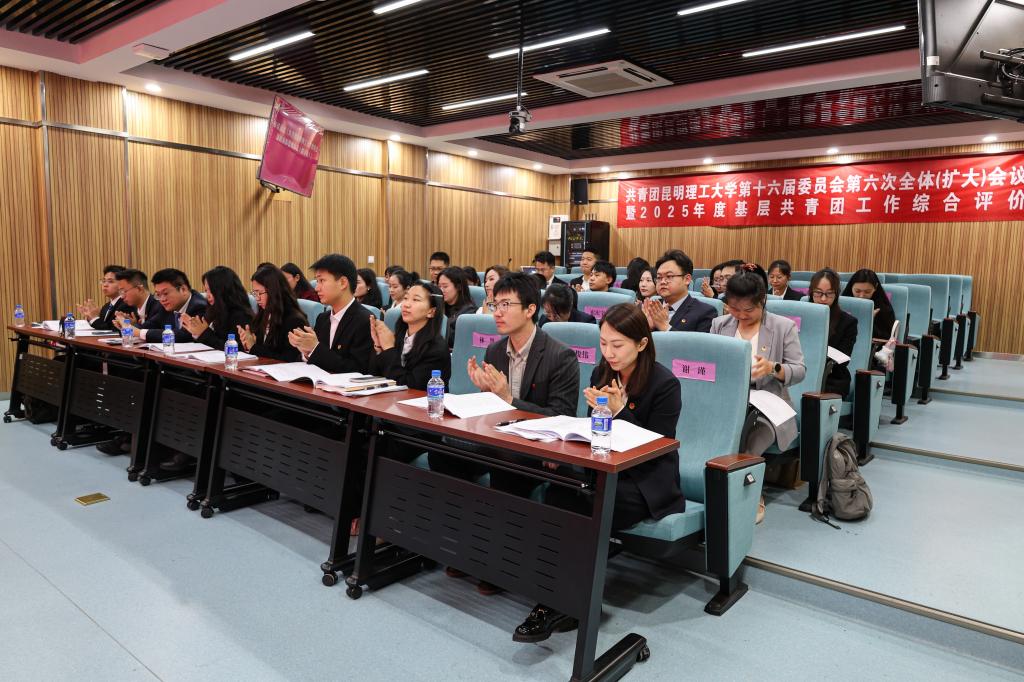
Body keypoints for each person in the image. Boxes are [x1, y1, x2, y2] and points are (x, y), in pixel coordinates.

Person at [513, 303, 685, 643]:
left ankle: (565, 601)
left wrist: (620, 412)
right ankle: (553, 592)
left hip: (645, 481)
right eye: (603, 343)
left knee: (589, 501)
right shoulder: (600, 374)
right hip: (603, 467)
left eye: (617, 345)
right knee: (559, 490)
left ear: (642, 343)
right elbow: (592, 431)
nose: (609, 353)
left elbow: (657, 446)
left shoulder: (665, 384)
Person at [434, 272, 579, 596]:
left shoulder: (560, 356)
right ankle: (466, 545)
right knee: (444, 452)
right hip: (498, 439)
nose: (497, 312)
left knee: (506, 464)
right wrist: (485, 395)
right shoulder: (496, 351)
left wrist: (508, 399)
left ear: (530, 309)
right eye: (494, 305)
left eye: (506, 305)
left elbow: (562, 418)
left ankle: (499, 561)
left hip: (535, 450)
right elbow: (493, 410)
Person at [710, 269, 806, 523]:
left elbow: (799, 370)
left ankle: (751, 496)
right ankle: (710, 491)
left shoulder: (783, 327)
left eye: (748, 310)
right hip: (729, 401)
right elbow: (711, 362)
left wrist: (773, 368)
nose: (741, 315)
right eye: (734, 309)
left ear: (762, 301)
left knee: (751, 443)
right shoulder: (720, 325)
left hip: (768, 405)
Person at [288, 254, 373, 373]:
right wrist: (307, 351)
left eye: (322, 281)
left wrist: (315, 348)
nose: (316, 288)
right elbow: (320, 359)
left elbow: (358, 369)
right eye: (317, 281)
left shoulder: (365, 320)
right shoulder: (323, 318)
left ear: (343, 283)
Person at [368, 282, 451, 390]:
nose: (406, 304)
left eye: (415, 299)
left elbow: (410, 386)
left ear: (431, 311)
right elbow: (373, 375)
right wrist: (379, 347)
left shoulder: (436, 348)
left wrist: (389, 349)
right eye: (406, 298)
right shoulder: (398, 337)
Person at [237, 264, 307, 361]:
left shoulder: (294, 320)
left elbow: (289, 359)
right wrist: (247, 343)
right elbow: (261, 348)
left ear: (274, 291)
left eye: (260, 293)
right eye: (254, 293)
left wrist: (253, 347)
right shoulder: (263, 313)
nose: (257, 298)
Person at [641, 250, 716, 333]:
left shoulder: (705, 312)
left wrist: (665, 327)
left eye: (669, 276)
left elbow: (699, 342)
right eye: (659, 277)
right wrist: (647, 329)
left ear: (687, 279)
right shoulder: (648, 309)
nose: (662, 282)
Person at [125, 268, 207, 343]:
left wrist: (140, 333)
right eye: (158, 294)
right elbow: (149, 325)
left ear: (183, 289)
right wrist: (127, 325)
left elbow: (184, 336)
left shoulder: (199, 306)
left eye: (165, 293)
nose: (162, 299)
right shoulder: (166, 307)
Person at [810, 268, 857, 397]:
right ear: (811, 292)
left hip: (832, 377)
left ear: (836, 294)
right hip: (799, 371)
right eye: (818, 293)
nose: (823, 298)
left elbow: (843, 359)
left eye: (829, 294)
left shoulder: (848, 322)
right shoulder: (801, 315)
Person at [181, 266, 252, 349]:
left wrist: (203, 333)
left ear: (223, 290)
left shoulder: (240, 316)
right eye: (206, 290)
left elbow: (234, 349)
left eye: (211, 290)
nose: (208, 296)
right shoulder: (213, 310)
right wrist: (195, 331)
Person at [843, 269, 897, 340]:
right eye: (857, 291)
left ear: (875, 287)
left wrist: (870, 322)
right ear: (851, 287)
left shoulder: (883, 308)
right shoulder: (842, 303)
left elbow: (886, 338)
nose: (861, 296)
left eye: (867, 292)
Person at [76, 264, 130, 330]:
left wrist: (94, 318)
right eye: (104, 281)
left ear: (122, 284)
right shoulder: (106, 306)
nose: (105, 285)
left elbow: (111, 329)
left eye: (110, 281)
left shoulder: (126, 304)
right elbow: (101, 325)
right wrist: (90, 316)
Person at [437, 266, 476, 348]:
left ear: (459, 287)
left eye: (445, 286)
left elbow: (455, 339)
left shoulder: (469, 311)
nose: (441, 290)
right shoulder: (439, 306)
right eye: (439, 286)